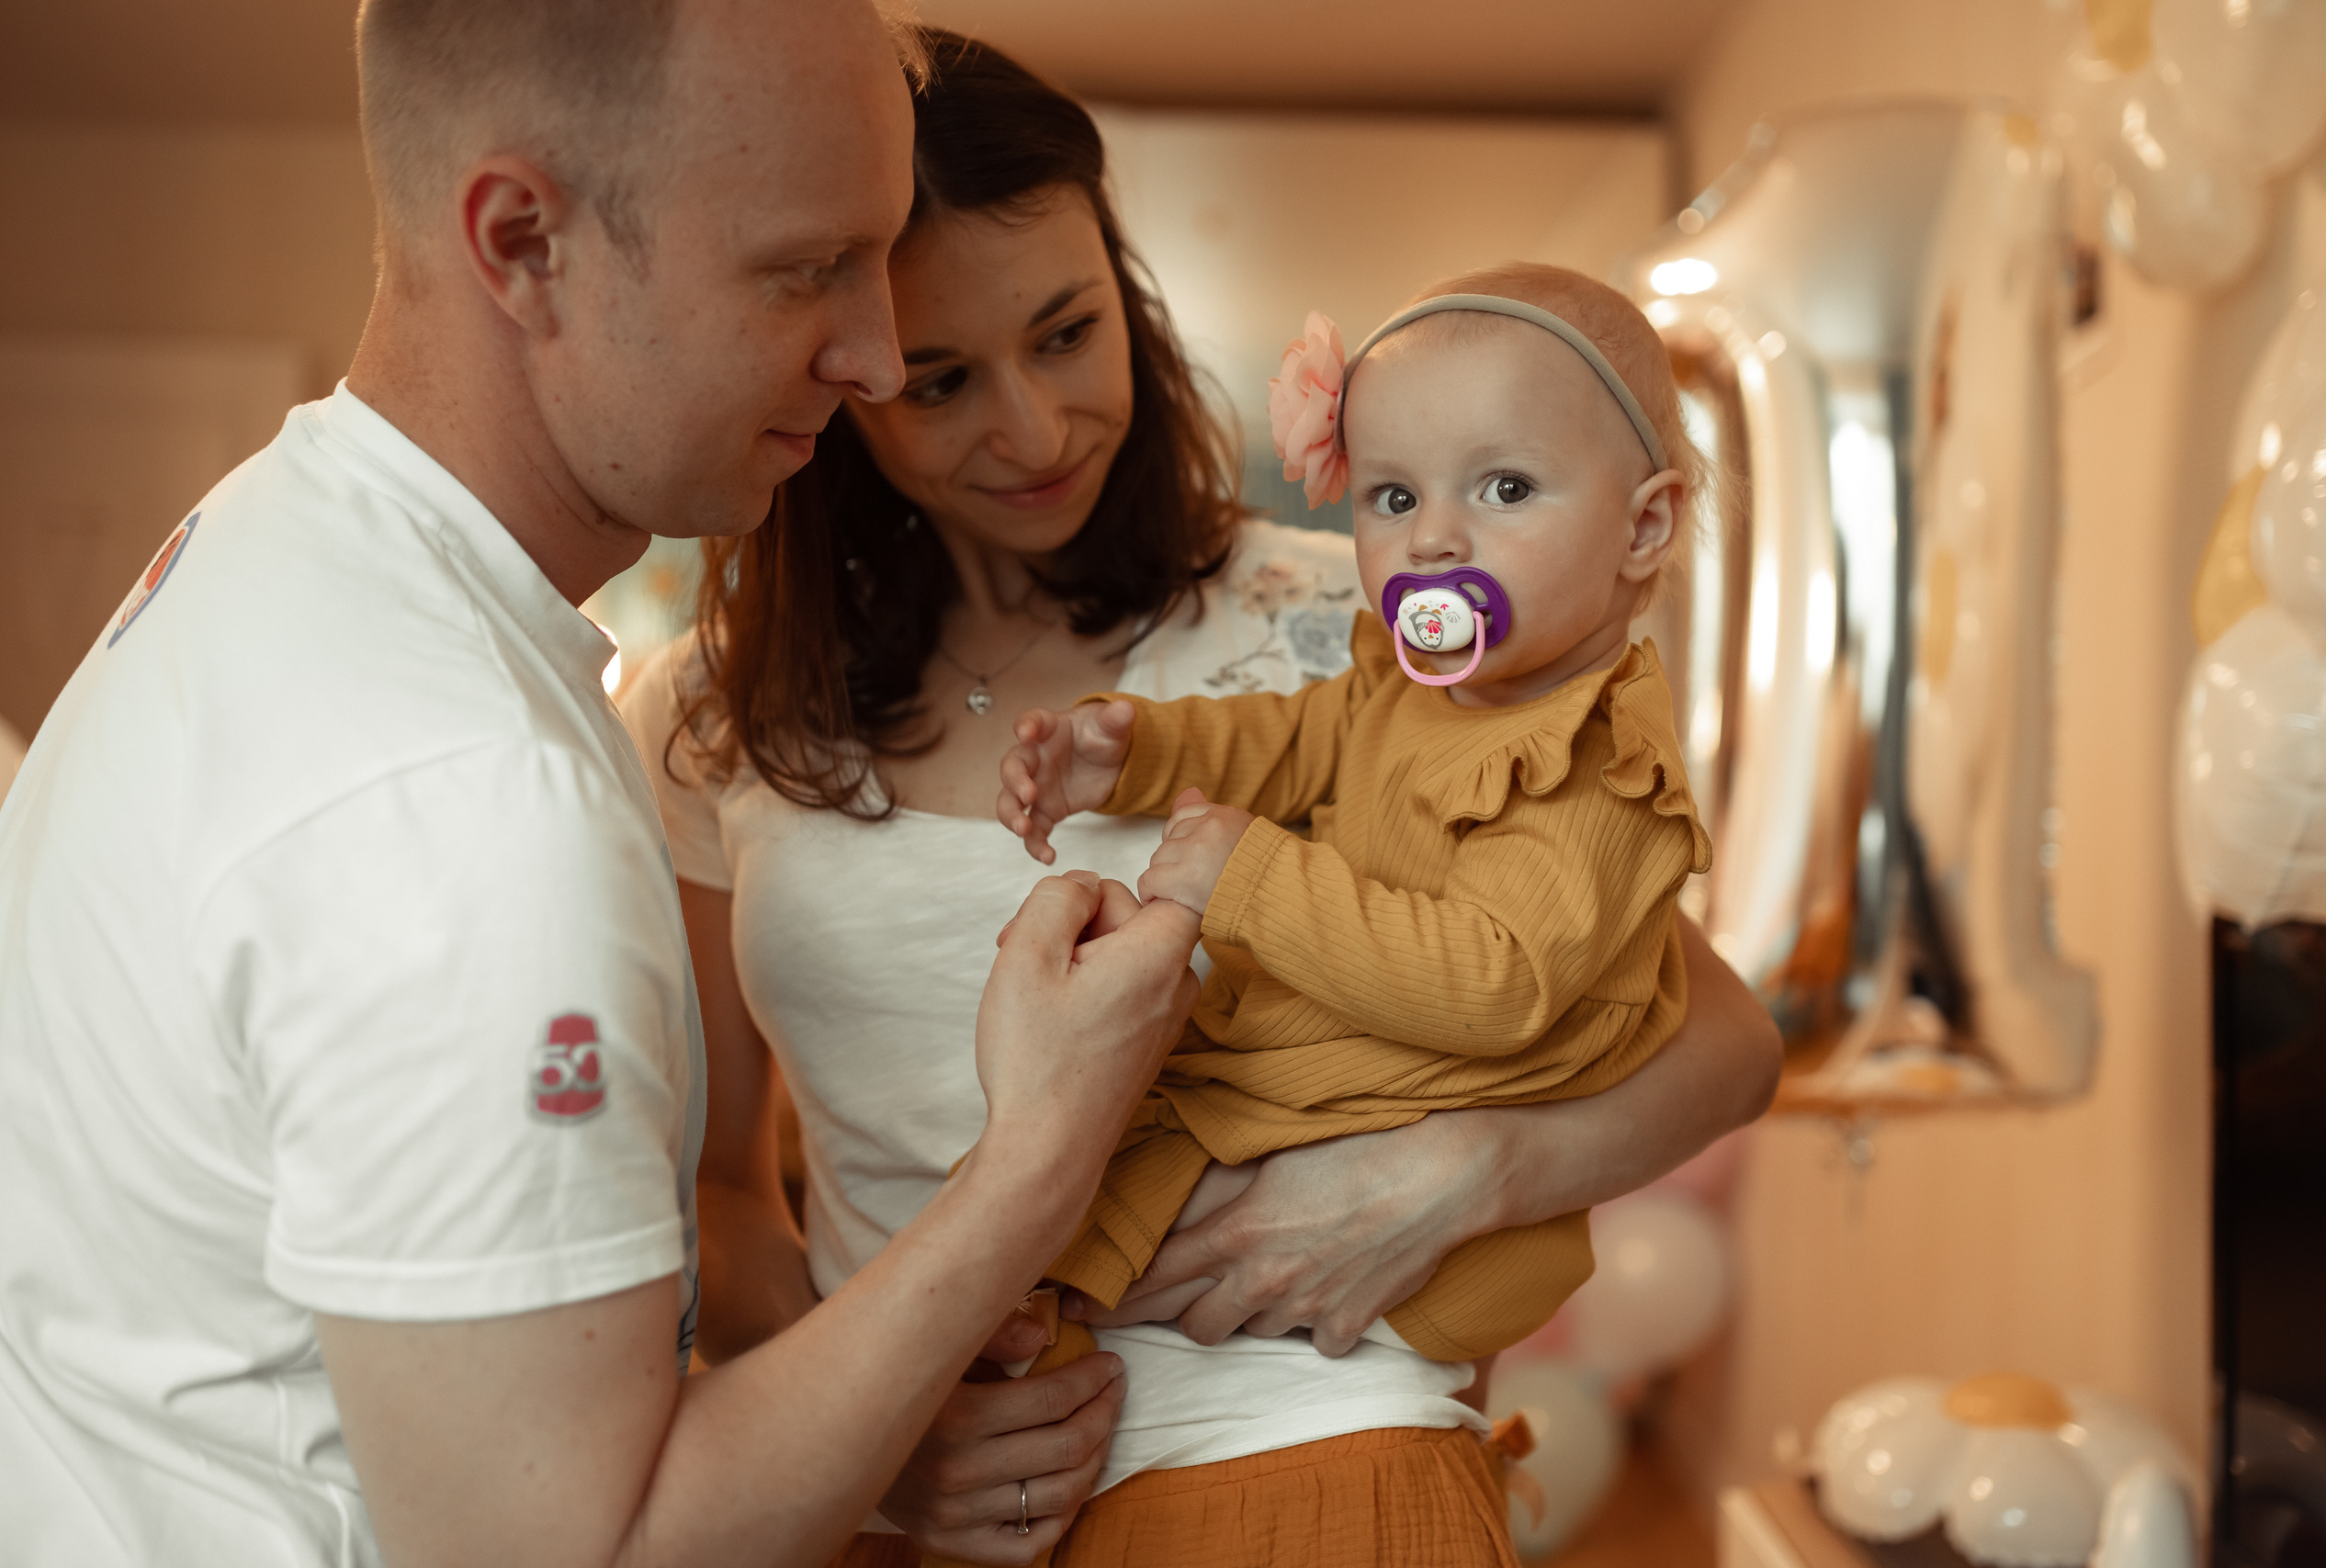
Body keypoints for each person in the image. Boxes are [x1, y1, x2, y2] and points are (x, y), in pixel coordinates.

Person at [0, 4, 1203, 1566]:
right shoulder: (459, 794)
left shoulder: (263, 546)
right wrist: (1037, 1159)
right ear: (522, 239)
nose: (873, 355)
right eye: (803, 269)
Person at [624, 32, 1782, 1566]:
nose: (1033, 432)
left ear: (1127, 289)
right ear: (839, 374)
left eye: (1067, 332)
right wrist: (884, 1434)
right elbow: (713, 1191)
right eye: (943, 381)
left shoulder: (1359, 624)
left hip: (1302, 1460)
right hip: (901, 1511)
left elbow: (1720, 1038)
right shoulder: (716, 716)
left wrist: (1458, 1177)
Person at [999, 263, 1717, 1382]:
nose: (1431, 540)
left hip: (1407, 1110)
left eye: (1506, 489)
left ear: (1643, 528)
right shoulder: (1412, 687)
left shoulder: (1599, 771)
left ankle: (1027, 1329)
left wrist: (1253, 880)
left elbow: (1497, 984)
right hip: (1331, 1075)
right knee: (1087, 1146)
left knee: (1131, 1173)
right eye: (1394, 497)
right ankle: (1003, 1330)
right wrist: (1136, 752)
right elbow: (1289, 740)